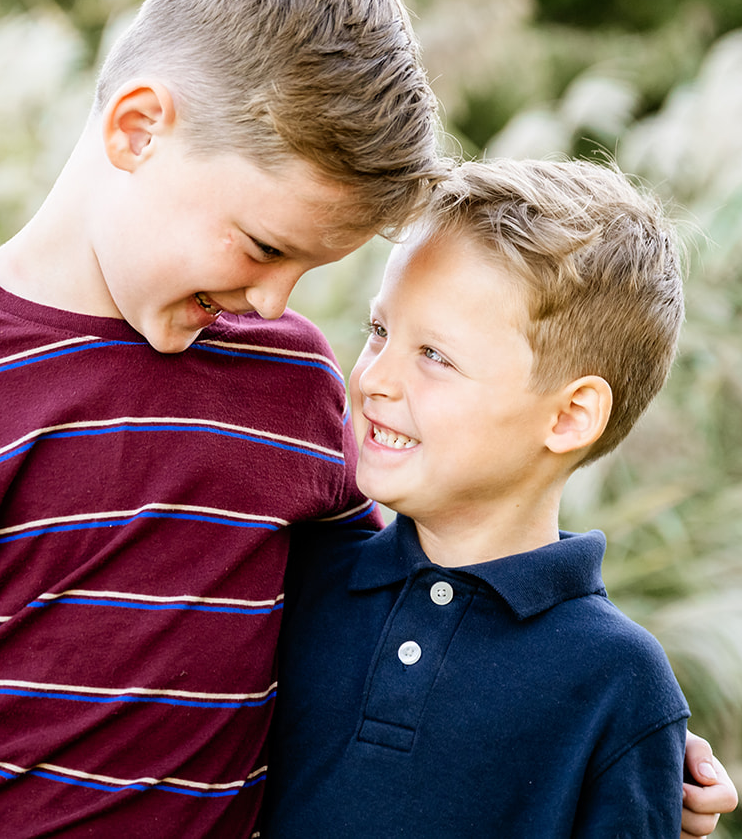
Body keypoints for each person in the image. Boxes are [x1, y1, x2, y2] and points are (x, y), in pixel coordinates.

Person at [0, 0, 739, 838]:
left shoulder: (287, 384)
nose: (278, 304)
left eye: (311, 270)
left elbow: (403, 600)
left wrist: (628, 748)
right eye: (265, 246)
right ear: (138, 128)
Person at [260, 158, 698, 835]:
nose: (373, 377)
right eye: (379, 331)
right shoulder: (300, 574)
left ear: (569, 415)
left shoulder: (618, 685)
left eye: (434, 354)